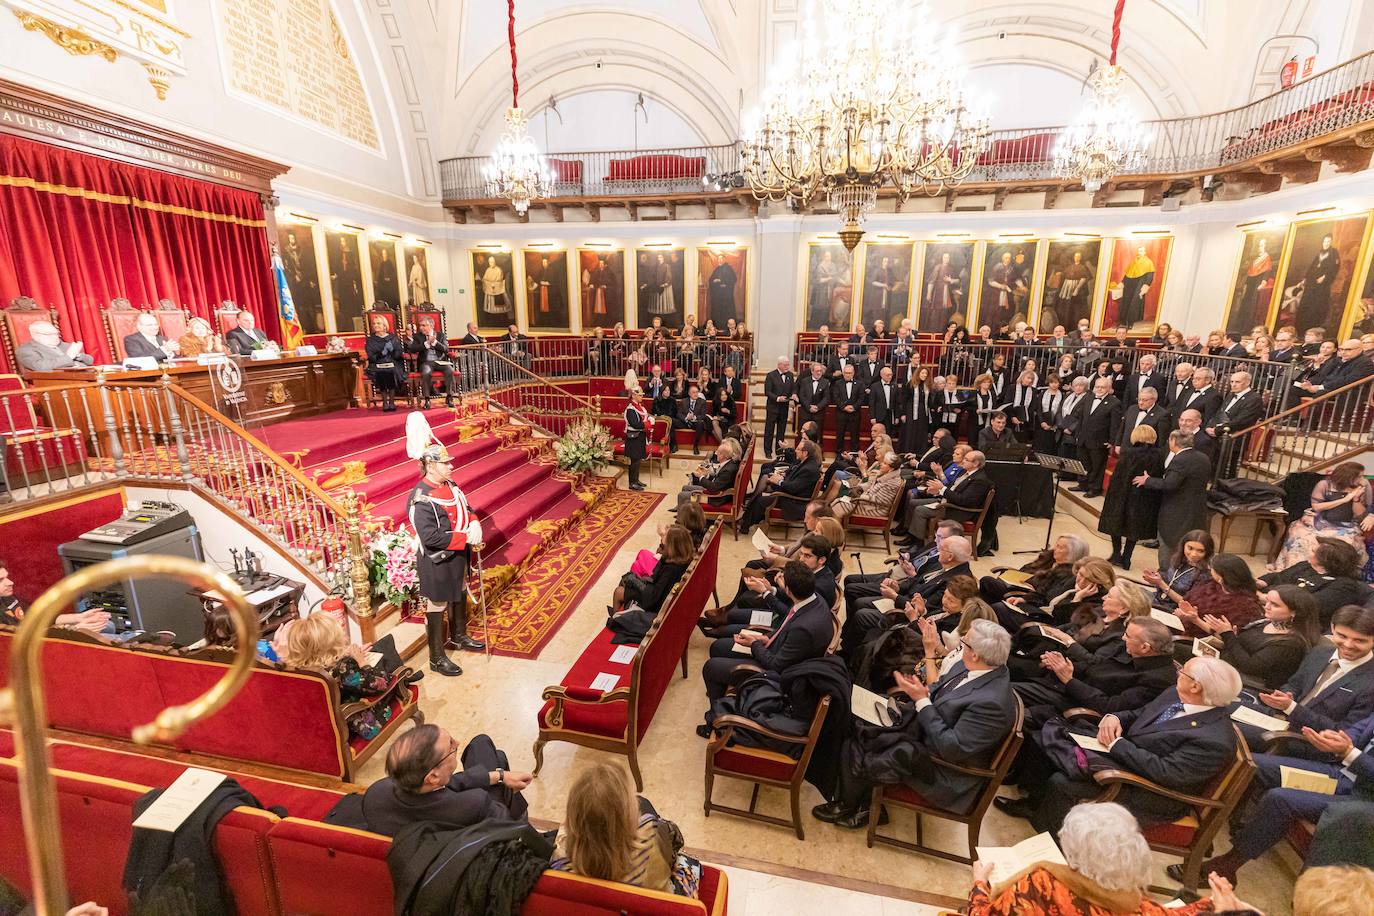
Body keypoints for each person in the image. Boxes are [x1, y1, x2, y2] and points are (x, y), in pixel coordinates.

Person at [1000, 656, 1244, 834]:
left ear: (1196, 686)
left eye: (1183, 671)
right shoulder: (1175, 693)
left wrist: (1117, 745)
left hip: (1152, 791)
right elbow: (1140, 713)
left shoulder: (1214, 739)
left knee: (1062, 781)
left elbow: (1166, 773)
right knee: (1049, 734)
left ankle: (1048, 840)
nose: (1177, 672)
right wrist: (1115, 717)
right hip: (1129, 756)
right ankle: (1033, 802)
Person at [814, 619, 1016, 829]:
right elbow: (939, 688)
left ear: (976, 654)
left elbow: (950, 748)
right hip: (927, 732)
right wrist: (917, 690)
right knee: (858, 721)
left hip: (943, 769)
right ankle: (858, 800)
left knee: (862, 740)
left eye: (964, 642)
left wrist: (921, 700)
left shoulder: (992, 704)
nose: (959, 645)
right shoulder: (977, 667)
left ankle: (854, 805)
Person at [1180, 709, 1374, 890]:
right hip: (1340, 773)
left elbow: (1355, 754)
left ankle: (1229, 865)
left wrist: (1350, 753)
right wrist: (1334, 741)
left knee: (1280, 799)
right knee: (1248, 764)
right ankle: (1197, 832)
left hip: (1364, 798)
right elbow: (1356, 732)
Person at [966, 802, 1249, 915]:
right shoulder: (1139, 907)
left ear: (1074, 859)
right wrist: (1217, 905)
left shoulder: (1042, 883)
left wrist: (979, 884)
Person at [550, 761, 698, 897]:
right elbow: (675, 840)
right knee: (684, 858)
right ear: (628, 816)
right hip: (658, 901)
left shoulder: (559, 861)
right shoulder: (650, 844)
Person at [698, 560, 833, 704]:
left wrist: (755, 643)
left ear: (787, 590)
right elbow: (785, 626)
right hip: (776, 646)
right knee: (717, 647)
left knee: (710, 667)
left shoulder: (803, 629)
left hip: (777, 675)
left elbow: (775, 666)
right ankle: (724, 689)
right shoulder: (815, 599)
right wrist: (764, 638)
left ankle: (717, 714)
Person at [361, 723, 531, 836]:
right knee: (490, 751)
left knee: (488, 751)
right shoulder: (476, 803)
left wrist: (498, 775)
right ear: (433, 776)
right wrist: (505, 787)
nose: (457, 743)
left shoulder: (375, 794)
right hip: (479, 833)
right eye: (451, 746)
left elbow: (447, 784)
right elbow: (508, 831)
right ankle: (519, 809)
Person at [406, 443, 484, 677]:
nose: (451, 466)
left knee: (459, 590)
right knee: (437, 604)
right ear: (430, 466)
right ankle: (436, 658)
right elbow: (429, 536)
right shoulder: (421, 497)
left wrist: (474, 522)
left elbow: (466, 507)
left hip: (457, 554)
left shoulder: (451, 485)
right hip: (436, 560)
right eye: (445, 463)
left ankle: (458, 635)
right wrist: (464, 536)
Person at [281, 613, 406, 740]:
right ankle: (406, 681)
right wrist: (362, 662)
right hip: (360, 721)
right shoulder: (342, 670)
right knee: (387, 656)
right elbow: (381, 684)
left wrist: (347, 657)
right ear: (332, 643)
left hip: (323, 724)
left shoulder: (302, 671)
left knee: (380, 647)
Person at [1204, 584, 1321, 690]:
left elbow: (1249, 666)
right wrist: (1232, 636)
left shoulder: (1290, 644)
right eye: (1267, 601)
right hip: (1227, 664)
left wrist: (1228, 635)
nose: (1267, 607)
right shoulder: (1266, 621)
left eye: (1274, 605)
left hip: (1245, 683)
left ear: (1294, 613)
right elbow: (1243, 647)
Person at [1135, 430, 1212, 570]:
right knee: (1191, 545)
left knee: (1169, 546)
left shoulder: (1180, 459)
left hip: (1176, 512)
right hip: (1197, 510)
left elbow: (1170, 484)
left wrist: (1148, 480)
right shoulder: (1203, 457)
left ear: (1173, 441)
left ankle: (1166, 576)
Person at [1273, 461, 1371, 571]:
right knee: (1301, 535)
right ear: (1348, 477)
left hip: (1345, 524)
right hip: (1319, 519)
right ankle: (1295, 570)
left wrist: (1356, 499)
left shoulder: (1363, 486)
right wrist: (1344, 500)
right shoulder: (1324, 484)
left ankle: (1330, 574)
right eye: (1360, 476)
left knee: (1345, 542)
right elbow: (1317, 507)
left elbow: (1362, 514)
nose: (1362, 479)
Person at [1259, 537, 1367, 627]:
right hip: (1269, 608)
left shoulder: (1344, 586)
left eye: (1313, 551)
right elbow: (1278, 577)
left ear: (1325, 560)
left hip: (1299, 625)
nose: (1309, 552)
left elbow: (1307, 605)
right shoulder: (1305, 566)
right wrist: (1260, 582)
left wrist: (1265, 598)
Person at [899, 449, 993, 549]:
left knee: (920, 510)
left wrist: (942, 489)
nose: (963, 461)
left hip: (958, 510)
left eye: (966, 459)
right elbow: (952, 488)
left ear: (976, 463)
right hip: (948, 502)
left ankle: (918, 544)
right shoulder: (966, 473)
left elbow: (964, 500)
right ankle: (911, 536)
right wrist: (938, 491)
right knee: (913, 502)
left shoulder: (980, 480)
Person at [1099, 424, 1164, 569]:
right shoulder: (1159, 455)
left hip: (1124, 494)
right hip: (1145, 496)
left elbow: (1119, 476)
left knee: (1115, 522)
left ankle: (1116, 554)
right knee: (1134, 526)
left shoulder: (1129, 452)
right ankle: (1127, 558)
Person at [0, 557, 110, 633]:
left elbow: (37, 618)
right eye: (1, 580)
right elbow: (22, 637)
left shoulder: (7, 596)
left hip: (49, 633)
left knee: (109, 626)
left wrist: (79, 617)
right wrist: (74, 629)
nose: (10, 582)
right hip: (43, 646)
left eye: (7, 577)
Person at [736, 440, 821, 534]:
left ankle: (744, 524)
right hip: (790, 493)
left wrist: (779, 481)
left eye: (798, 449)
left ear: (805, 453)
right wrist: (782, 477)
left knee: (760, 501)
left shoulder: (809, 469)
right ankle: (745, 519)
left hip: (794, 502)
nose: (795, 450)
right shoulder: (806, 462)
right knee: (764, 487)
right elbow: (795, 478)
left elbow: (793, 488)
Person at [610, 524, 693, 621]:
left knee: (619, 591)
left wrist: (636, 582)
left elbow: (652, 597)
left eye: (665, 536)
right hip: (658, 596)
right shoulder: (681, 558)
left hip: (654, 605)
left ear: (671, 545)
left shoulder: (670, 570)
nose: (662, 538)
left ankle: (616, 621)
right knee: (629, 579)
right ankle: (624, 609)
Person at [1174, 553, 1264, 638]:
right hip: (1182, 624)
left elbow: (1225, 637)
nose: (1210, 569)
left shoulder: (1245, 607)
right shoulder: (1211, 584)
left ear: (1221, 577)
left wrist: (1195, 620)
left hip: (1201, 641)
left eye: (1212, 568)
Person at [676, 438, 741, 509]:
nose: (716, 454)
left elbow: (714, 488)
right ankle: (685, 512)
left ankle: (681, 519)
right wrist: (707, 475)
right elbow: (719, 481)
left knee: (681, 495)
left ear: (723, 456)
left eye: (718, 452)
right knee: (685, 488)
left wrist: (701, 477)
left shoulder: (728, 470)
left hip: (715, 498)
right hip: (716, 492)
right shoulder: (729, 463)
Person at [409, 317, 456, 408]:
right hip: (426, 362)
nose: (421, 328)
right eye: (420, 326)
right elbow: (413, 349)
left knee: (449, 370)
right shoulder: (417, 336)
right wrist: (426, 344)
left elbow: (446, 349)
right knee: (426, 373)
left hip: (440, 361)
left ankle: (449, 397)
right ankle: (427, 399)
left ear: (431, 326)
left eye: (424, 325)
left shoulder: (441, 335)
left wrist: (435, 342)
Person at [364, 314, 406, 412]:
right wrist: (382, 353)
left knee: (391, 371)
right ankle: (385, 402)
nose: (376, 325)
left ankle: (391, 401)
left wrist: (391, 351)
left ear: (384, 325)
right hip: (376, 363)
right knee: (381, 372)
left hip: (392, 362)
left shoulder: (393, 338)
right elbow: (371, 356)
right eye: (374, 324)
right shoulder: (370, 340)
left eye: (378, 323)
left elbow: (399, 353)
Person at [16, 320, 93, 372]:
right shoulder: (25, 350)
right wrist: (69, 357)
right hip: (61, 382)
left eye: (56, 333)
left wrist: (79, 356)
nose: (55, 337)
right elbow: (40, 367)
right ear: (36, 335)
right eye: (49, 334)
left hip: (88, 374)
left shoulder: (64, 345)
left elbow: (90, 361)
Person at [762, 356, 795, 459]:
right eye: (785, 365)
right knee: (769, 430)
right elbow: (767, 392)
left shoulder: (790, 375)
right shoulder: (771, 375)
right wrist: (777, 398)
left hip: (784, 407)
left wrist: (793, 395)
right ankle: (768, 451)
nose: (787, 367)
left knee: (781, 430)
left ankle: (779, 450)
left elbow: (792, 389)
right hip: (773, 407)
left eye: (788, 365)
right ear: (779, 365)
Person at [830, 363, 866, 454]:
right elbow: (835, 397)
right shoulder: (838, 383)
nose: (847, 375)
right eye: (846, 373)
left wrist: (853, 407)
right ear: (843, 373)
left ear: (853, 373)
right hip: (841, 413)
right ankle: (838, 454)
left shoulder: (860, 384)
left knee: (855, 435)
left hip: (855, 413)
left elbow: (861, 398)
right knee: (840, 434)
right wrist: (844, 407)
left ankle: (854, 454)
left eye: (849, 373)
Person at [622, 387, 651, 492]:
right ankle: (632, 483)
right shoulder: (630, 409)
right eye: (640, 395)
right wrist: (647, 424)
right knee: (634, 461)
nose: (642, 396)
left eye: (642, 395)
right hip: (633, 437)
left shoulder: (640, 408)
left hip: (640, 436)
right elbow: (635, 424)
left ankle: (636, 480)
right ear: (633, 395)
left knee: (638, 460)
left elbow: (643, 419)